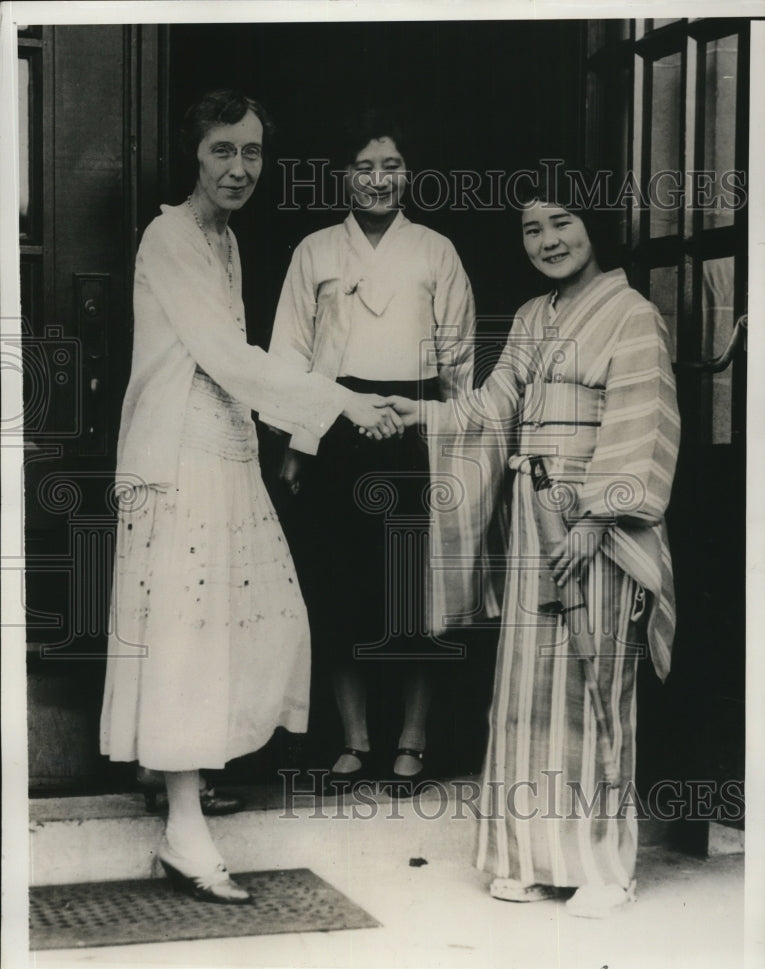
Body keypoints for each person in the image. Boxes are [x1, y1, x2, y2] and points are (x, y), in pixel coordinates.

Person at [99, 90, 400, 904]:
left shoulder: (224, 241)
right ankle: (184, 826)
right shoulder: (169, 236)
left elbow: (241, 366)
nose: (239, 168)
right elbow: (230, 359)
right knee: (185, 637)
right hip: (176, 460)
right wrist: (338, 400)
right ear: (194, 156)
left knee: (252, 623)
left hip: (224, 453)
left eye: (252, 153)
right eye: (222, 151)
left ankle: (184, 783)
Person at [387, 164, 681, 916]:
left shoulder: (632, 316)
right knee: (522, 687)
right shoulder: (529, 318)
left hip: (597, 524)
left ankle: (602, 868)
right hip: (529, 512)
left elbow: (639, 424)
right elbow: (487, 411)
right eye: (531, 228)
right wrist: (411, 412)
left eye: (561, 222)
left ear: (593, 225)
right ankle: (520, 856)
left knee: (592, 683)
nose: (547, 240)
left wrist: (594, 520)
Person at [262, 110, 475, 792]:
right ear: (342, 176)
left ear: (409, 173)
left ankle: (412, 740)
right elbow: (289, 355)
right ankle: (352, 739)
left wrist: (440, 433)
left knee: (412, 594)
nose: (378, 181)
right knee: (338, 587)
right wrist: (299, 445)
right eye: (363, 168)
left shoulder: (436, 250)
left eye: (390, 167)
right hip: (332, 431)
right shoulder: (314, 251)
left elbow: (458, 362)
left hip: (413, 429)